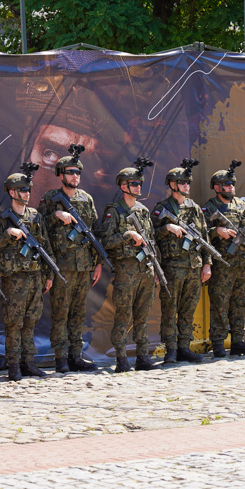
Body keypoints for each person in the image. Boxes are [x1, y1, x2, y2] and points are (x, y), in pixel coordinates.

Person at [0, 165, 55, 381]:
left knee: (30, 320)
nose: (27, 194)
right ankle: (14, 365)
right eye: (22, 190)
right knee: (14, 322)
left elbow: (45, 247)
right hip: (14, 278)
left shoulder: (35, 217)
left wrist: (50, 274)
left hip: (34, 276)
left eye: (28, 190)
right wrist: (8, 234)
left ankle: (28, 362)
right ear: (12, 192)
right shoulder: (2, 219)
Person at [37, 149, 101, 373]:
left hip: (84, 266)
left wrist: (98, 262)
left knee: (78, 312)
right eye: (70, 172)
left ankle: (76, 356)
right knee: (60, 313)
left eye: (78, 173)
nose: (75, 176)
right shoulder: (50, 199)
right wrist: (55, 215)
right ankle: (61, 358)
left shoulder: (86, 199)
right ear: (60, 174)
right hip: (61, 267)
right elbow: (37, 228)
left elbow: (94, 231)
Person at [97, 159, 160, 373]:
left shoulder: (143, 211)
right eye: (134, 184)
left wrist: (156, 267)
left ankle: (143, 356)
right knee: (123, 314)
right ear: (123, 186)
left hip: (146, 270)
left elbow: (151, 240)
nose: (138, 187)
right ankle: (121, 357)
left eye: (139, 184)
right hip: (126, 271)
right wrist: (127, 235)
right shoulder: (114, 210)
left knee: (142, 316)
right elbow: (105, 240)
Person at [151, 159, 212, 364]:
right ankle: (171, 349)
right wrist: (167, 228)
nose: (187, 185)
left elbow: (204, 237)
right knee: (170, 309)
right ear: (172, 184)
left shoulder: (194, 208)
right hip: (171, 267)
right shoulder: (162, 208)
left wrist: (207, 263)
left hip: (193, 266)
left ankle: (184, 347)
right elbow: (150, 236)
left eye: (188, 182)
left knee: (188, 309)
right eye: (183, 182)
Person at [202, 161, 245, 357]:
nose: (231, 188)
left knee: (239, 304)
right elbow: (200, 236)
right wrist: (216, 231)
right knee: (219, 305)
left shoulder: (242, 206)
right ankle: (218, 343)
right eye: (227, 185)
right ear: (217, 187)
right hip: (222, 266)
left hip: (243, 265)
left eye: (232, 184)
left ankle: (238, 341)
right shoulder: (210, 208)